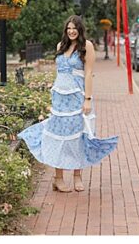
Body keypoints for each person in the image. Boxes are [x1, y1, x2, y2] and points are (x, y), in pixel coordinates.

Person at [19, 15, 119, 193]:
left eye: (74, 28)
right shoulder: (60, 46)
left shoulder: (86, 46)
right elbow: (59, 73)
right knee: (58, 137)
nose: (71, 31)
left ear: (80, 29)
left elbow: (88, 74)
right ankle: (58, 178)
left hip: (77, 97)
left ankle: (77, 176)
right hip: (60, 99)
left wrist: (87, 99)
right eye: (68, 28)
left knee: (77, 137)